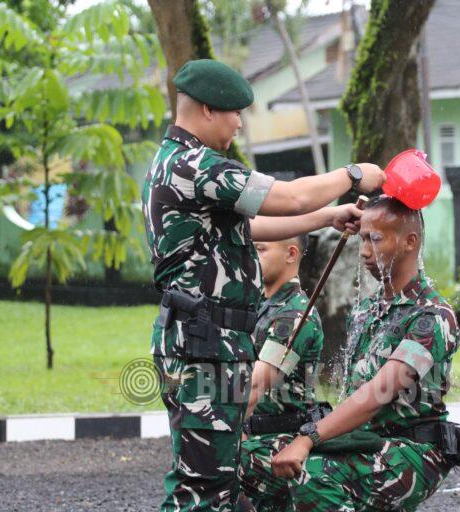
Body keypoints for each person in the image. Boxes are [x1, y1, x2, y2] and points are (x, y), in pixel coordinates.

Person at [141, 59, 385, 512]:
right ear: (209, 110)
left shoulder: (174, 164)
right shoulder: (199, 166)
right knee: (203, 491)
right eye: (235, 113)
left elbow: (248, 227)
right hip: (205, 345)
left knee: (212, 482)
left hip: (205, 341)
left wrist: (327, 217)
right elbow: (289, 196)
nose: (238, 123)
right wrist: (353, 176)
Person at [241, 195, 460, 511]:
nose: (364, 252)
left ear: (409, 242)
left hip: (413, 451)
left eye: (375, 239)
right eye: (362, 239)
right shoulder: (365, 310)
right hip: (362, 442)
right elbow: (352, 392)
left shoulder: (431, 317)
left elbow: (378, 393)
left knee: (310, 473)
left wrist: (308, 438)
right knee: (246, 460)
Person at [236, 235, 328, 511]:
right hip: (255, 437)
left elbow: (253, 388)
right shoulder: (259, 306)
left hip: (283, 442)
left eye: (260, 249)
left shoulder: (295, 315)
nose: (251, 257)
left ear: (290, 254)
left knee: (211, 460)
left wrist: (216, 430)